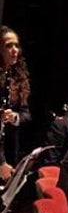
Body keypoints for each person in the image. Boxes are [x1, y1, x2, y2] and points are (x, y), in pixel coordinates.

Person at [0, 26, 32, 181]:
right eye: (8, 45)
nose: (14, 50)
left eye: (16, 45)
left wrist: (14, 117)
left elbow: (26, 114)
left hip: (9, 148)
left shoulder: (16, 77)